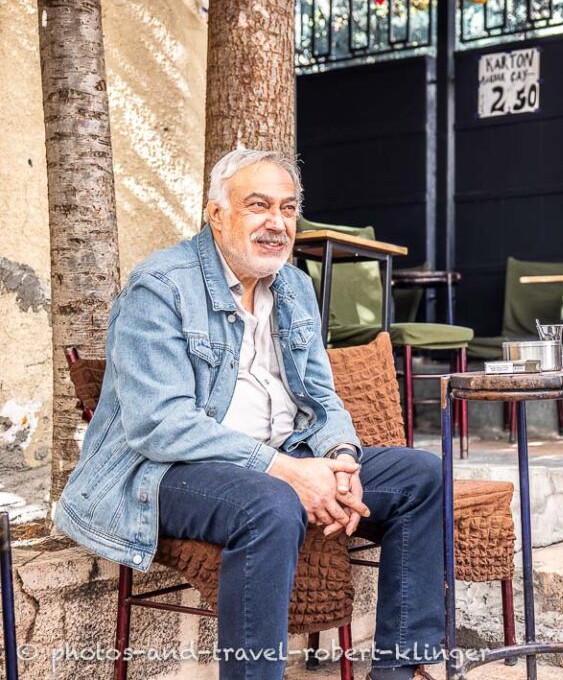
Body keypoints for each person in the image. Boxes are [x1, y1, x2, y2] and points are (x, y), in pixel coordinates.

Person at [54, 149, 441, 680]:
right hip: (164, 471)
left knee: (421, 476)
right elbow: (160, 425)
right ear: (216, 213)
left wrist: (341, 460)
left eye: (287, 208)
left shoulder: (295, 286)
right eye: (258, 205)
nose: (276, 223)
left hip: (286, 455)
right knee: (271, 503)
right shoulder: (161, 287)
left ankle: (401, 672)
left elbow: (323, 397)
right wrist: (289, 472)